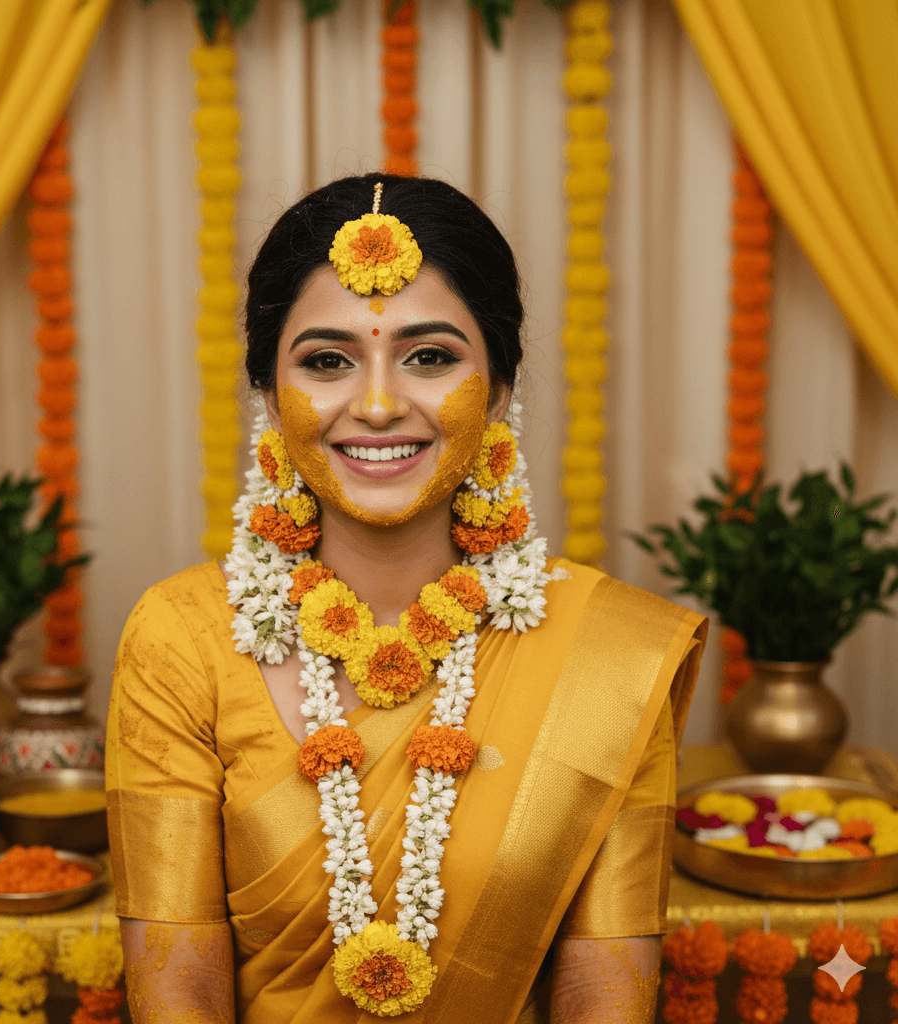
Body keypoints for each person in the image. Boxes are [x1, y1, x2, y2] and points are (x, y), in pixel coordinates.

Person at [106, 173, 708, 1023]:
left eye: (430, 357)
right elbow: (178, 992)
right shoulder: (183, 639)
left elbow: (603, 998)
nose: (381, 404)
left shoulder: (609, 654)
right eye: (326, 361)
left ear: (500, 388)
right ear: (269, 396)